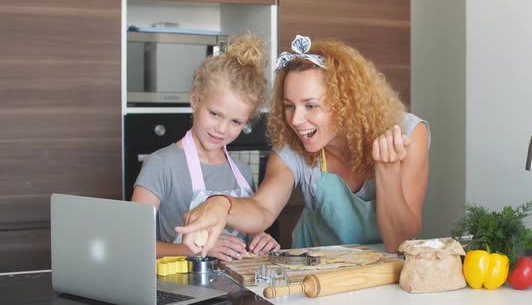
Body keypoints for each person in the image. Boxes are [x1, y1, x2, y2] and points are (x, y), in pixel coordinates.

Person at [176, 35, 430, 255]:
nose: (296, 120)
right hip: (319, 273)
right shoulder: (292, 149)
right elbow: (262, 208)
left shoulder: (406, 134)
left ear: (346, 103)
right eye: (289, 105)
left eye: (310, 105)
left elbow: (398, 243)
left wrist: (387, 172)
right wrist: (221, 204)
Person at [131, 34, 280, 261]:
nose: (221, 129)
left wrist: (259, 238)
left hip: (233, 290)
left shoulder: (243, 172)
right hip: (179, 288)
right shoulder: (161, 164)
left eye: (236, 122)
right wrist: (195, 249)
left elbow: (244, 235)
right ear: (195, 100)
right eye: (215, 114)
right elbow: (136, 243)